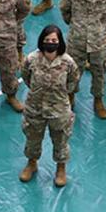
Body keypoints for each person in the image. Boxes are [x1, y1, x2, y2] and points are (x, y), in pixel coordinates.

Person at [18, 25, 79, 187]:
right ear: (41, 41)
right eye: (47, 40)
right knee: (32, 138)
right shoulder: (31, 59)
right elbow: (26, 77)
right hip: (35, 108)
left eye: (54, 40)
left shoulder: (68, 63)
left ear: (60, 42)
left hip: (58, 110)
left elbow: (73, 82)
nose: (50, 43)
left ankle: (60, 169)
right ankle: (31, 164)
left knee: (60, 140)